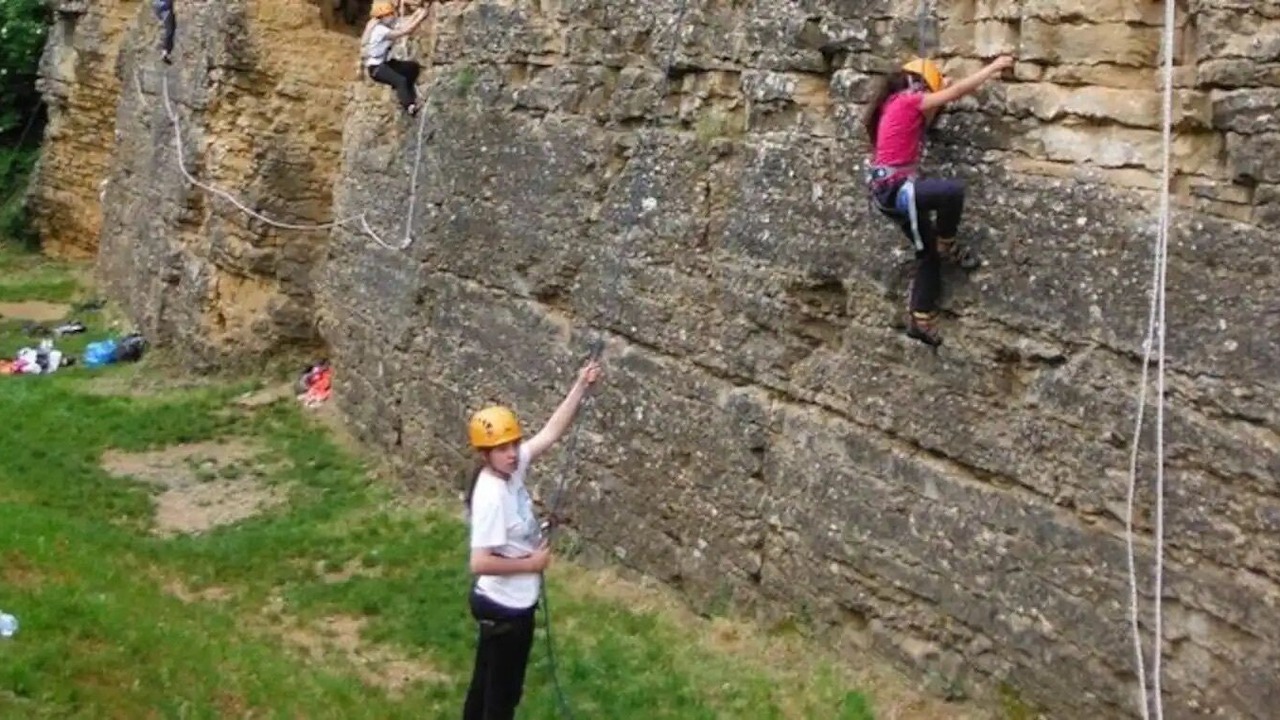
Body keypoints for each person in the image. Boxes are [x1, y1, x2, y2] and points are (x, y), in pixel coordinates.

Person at [461, 358, 604, 720]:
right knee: (502, 697)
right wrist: (532, 564)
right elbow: (479, 562)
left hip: (507, 603)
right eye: (502, 449)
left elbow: (551, 432)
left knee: (486, 687)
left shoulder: (510, 469)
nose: (512, 453)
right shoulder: (492, 494)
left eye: (514, 444)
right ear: (485, 454)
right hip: (506, 606)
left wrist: (580, 386)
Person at [864, 54, 1015, 346]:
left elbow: (930, 117)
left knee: (928, 255)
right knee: (951, 194)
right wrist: (993, 68)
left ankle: (920, 317)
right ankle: (947, 242)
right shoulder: (909, 101)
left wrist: (939, 93)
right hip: (897, 191)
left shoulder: (894, 103)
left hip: (892, 190)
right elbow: (956, 93)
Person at [360, 1, 431, 116]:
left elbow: (404, 23)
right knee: (400, 80)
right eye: (389, 14)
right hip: (376, 68)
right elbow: (406, 31)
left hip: (386, 63)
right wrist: (421, 17)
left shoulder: (386, 25)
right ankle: (409, 106)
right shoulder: (380, 31)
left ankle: (408, 93)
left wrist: (418, 12)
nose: (392, 16)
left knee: (412, 68)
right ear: (382, 17)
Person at [152, 0, 176, 64]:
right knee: (169, 30)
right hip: (165, 6)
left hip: (159, 5)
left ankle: (165, 51)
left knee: (168, 29)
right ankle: (164, 52)